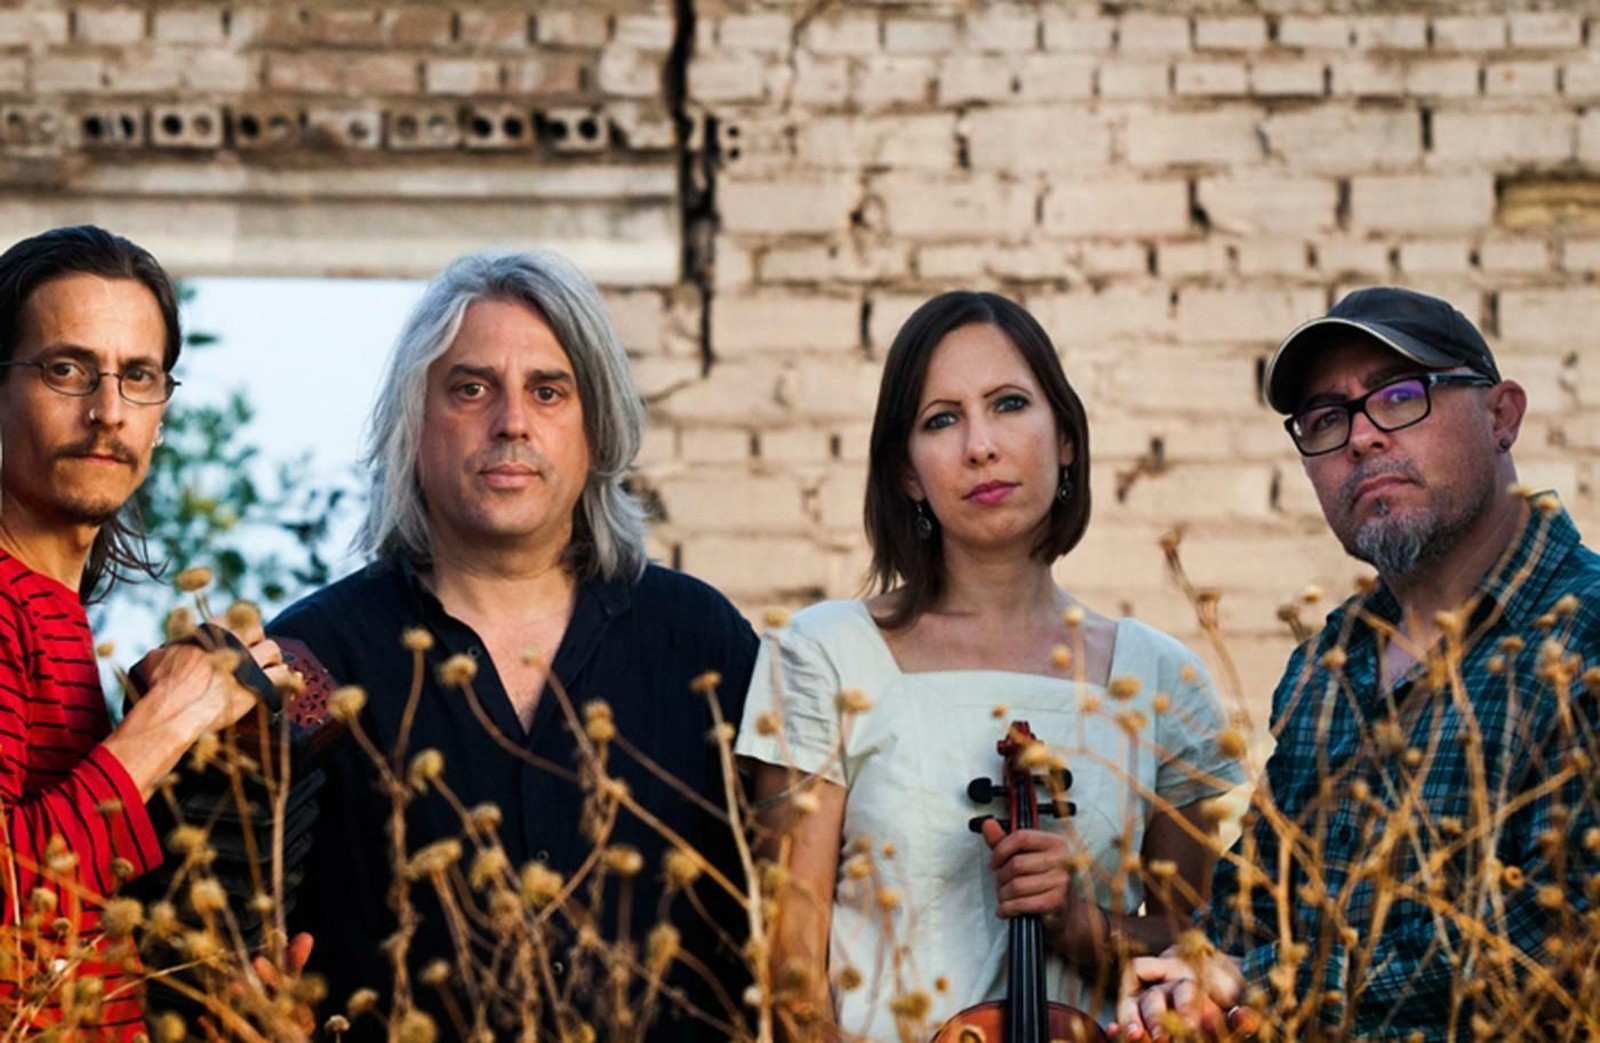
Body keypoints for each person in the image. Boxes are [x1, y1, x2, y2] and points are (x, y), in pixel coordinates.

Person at [271, 250, 759, 1042]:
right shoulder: (313, 657)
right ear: (414, 423)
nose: (512, 422)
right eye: (470, 388)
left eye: (548, 390)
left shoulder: (703, 646)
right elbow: (224, 918)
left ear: (594, 428)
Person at [735, 291, 1245, 1041]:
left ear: (1065, 438)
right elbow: (792, 978)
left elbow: (1190, 952)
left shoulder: (1162, 680)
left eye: (1009, 404)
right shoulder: (822, 654)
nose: (980, 444)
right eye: (940, 419)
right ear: (908, 472)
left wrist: (1078, 921)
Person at [1116, 287, 1600, 1040]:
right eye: (1325, 419)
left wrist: (1264, 979)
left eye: (1401, 395)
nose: (1362, 438)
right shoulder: (1325, 669)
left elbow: (1561, 934)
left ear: (1502, 415)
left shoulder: (1588, 635)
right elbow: (1247, 911)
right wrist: (1186, 985)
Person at [0, 225, 291, 1038]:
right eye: (66, 369)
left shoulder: (52, 614)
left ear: (163, 414)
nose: (107, 413)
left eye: (139, 377)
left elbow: (47, 939)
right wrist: (167, 725)